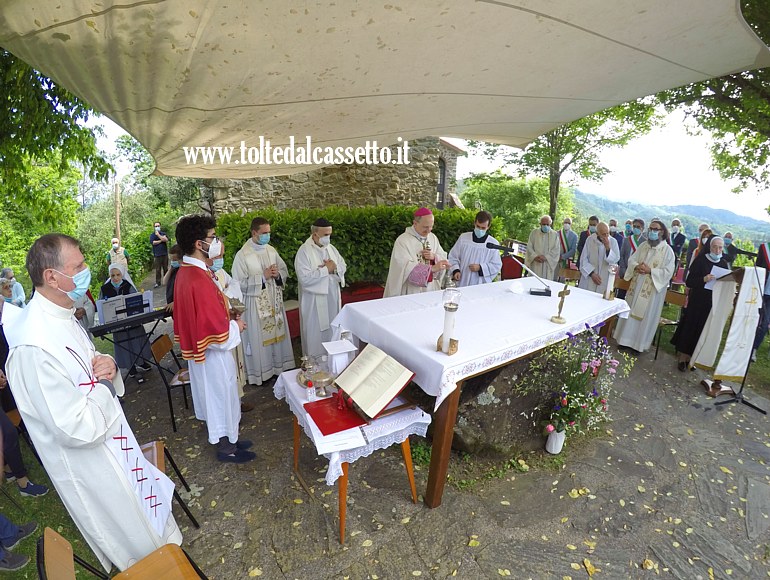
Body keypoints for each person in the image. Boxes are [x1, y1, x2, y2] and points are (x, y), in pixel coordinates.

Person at [5, 233, 181, 572]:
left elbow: (90, 366)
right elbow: (74, 427)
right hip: (96, 469)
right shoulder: (31, 346)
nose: (86, 271)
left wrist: (109, 365)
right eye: (79, 266)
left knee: (156, 527)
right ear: (51, 276)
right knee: (144, 550)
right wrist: (104, 386)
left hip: (116, 443)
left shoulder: (62, 315)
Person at [173, 216, 255, 463]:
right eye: (213, 237)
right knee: (221, 397)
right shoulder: (197, 278)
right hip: (212, 356)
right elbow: (216, 336)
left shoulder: (191, 271)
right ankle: (226, 449)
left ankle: (231, 439)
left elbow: (204, 314)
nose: (217, 241)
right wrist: (236, 325)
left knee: (224, 397)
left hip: (204, 354)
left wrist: (226, 313)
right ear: (200, 244)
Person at [231, 217, 295, 386]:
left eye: (269, 232)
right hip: (255, 304)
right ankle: (262, 373)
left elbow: (283, 270)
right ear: (254, 233)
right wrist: (263, 277)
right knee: (260, 338)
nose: (267, 236)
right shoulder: (242, 255)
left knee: (277, 335)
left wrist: (277, 274)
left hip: (274, 301)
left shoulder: (271, 250)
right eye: (264, 233)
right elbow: (238, 284)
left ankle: (278, 367)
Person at [613, 220, 676, 352]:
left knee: (645, 317)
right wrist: (637, 266)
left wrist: (650, 271)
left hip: (651, 291)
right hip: (636, 287)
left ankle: (638, 346)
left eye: (655, 229)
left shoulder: (667, 251)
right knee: (630, 313)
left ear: (662, 232)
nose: (652, 232)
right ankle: (624, 340)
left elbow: (668, 272)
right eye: (651, 229)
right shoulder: (643, 245)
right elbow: (631, 259)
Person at [670, 236, 729, 371]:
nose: (718, 250)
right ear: (710, 247)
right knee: (691, 329)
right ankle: (683, 358)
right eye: (715, 246)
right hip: (697, 301)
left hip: (711, 303)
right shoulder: (701, 260)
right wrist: (704, 279)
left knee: (702, 330)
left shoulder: (724, 264)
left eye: (720, 247)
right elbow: (690, 281)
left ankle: (693, 358)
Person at [209, 240, 252, 413]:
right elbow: (216, 301)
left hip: (232, 321)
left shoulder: (219, 271)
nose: (221, 259)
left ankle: (238, 401)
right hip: (221, 330)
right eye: (218, 255)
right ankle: (230, 409)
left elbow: (235, 285)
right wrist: (226, 295)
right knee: (226, 370)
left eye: (222, 255)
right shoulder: (205, 276)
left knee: (236, 365)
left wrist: (225, 293)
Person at [295, 218, 348, 357]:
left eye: (329, 234)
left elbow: (343, 266)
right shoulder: (304, 252)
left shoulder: (331, 249)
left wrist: (334, 268)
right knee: (315, 333)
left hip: (331, 296)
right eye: (325, 235)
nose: (328, 238)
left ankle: (332, 359)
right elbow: (304, 278)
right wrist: (326, 270)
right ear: (315, 234)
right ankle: (314, 363)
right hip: (313, 302)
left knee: (332, 328)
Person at [99, 263, 152, 382]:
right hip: (117, 324)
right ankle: (131, 367)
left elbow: (136, 300)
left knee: (137, 341)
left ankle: (141, 362)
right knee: (124, 344)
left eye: (118, 275)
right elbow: (101, 305)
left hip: (132, 322)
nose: (115, 278)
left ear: (122, 275)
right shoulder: (105, 289)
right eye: (112, 275)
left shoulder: (128, 285)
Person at [384, 207, 450, 297]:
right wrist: (432, 269)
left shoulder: (433, 237)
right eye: (425, 227)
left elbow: (441, 255)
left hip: (430, 289)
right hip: (411, 291)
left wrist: (434, 257)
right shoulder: (403, 241)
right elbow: (403, 268)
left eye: (431, 226)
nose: (429, 230)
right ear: (415, 223)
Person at [447, 210, 502, 287]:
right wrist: (456, 270)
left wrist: (480, 268)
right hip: (462, 281)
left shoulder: (493, 243)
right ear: (474, 223)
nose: (480, 230)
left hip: (480, 285)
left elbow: (496, 265)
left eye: (483, 228)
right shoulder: (464, 238)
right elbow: (453, 257)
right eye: (478, 226)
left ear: (488, 227)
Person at [578, 222, 620, 295]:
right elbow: (583, 260)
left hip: (604, 279)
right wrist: (592, 274)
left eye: (608, 233)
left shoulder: (613, 242)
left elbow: (615, 260)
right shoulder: (590, 240)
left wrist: (608, 248)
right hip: (589, 279)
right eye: (603, 234)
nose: (606, 236)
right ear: (597, 233)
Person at [617, 218, 647, 300]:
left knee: (633, 294)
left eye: (638, 227)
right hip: (625, 270)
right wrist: (622, 268)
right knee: (621, 293)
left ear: (643, 228)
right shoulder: (627, 240)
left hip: (637, 271)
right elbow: (622, 255)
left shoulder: (645, 242)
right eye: (634, 226)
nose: (636, 228)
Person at [525, 215, 560, 281]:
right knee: (533, 282)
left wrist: (546, 257)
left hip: (547, 264)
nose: (546, 226)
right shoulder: (534, 233)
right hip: (535, 264)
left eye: (548, 224)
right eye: (544, 224)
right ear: (540, 224)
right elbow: (529, 247)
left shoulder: (554, 235)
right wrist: (535, 256)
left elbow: (556, 250)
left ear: (550, 224)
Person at [751, 241, 770, 362]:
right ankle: (744, 345)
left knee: (764, 324)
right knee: (753, 319)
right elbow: (757, 267)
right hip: (761, 290)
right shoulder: (765, 248)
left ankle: (754, 349)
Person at [149, 221, 170, 288]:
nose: (157, 227)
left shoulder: (163, 233)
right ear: (154, 227)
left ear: (160, 226)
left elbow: (166, 239)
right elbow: (153, 242)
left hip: (164, 254)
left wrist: (158, 235)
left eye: (158, 226)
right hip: (157, 255)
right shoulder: (152, 235)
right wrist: (161, 240)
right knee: (158, 270)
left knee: (165, 268)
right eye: (156, 226)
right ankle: (158, 283)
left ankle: (166, 281)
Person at [163, 244, 182, 314]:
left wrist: (176, 302)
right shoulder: (173, 269)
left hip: (179, 305)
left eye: (175, 260)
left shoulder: (183, 271)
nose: (173, 261)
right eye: (171, 259)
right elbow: (164, 282)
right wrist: (171, 268)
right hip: (171, 305)